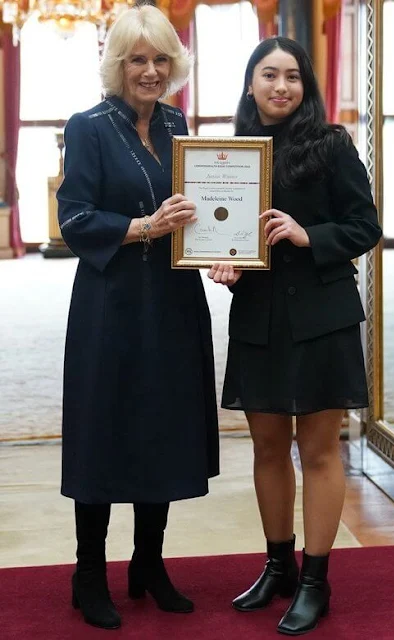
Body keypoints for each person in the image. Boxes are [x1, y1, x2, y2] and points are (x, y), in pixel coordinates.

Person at [208, 37, 381, 636]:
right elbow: (232, 242)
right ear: (250, 84)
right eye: (268, 76)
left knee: (319, 450)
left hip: (322, 318)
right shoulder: (231, 156)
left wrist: (310, 236)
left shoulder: (332, 145)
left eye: (293, 77)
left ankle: (315, 580)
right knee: (265, 448)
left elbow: (366, 225)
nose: (281, 87)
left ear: (306, 86)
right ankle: (277, 565)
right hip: (258, 316)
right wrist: (226, 268)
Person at [57, 5, 219, 630]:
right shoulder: (89, 126)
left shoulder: (180, 123)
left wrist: (224, 255)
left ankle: (148, 564)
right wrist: (146, 227)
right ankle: (88, 573)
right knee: (105, 427)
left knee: (164, 425)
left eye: (160, 59)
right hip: (110, 304)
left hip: (175, 302)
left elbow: (202, 213)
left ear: (173, 65)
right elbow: (75, 219)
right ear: (116, 65)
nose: (150, 71)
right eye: (137, 60)